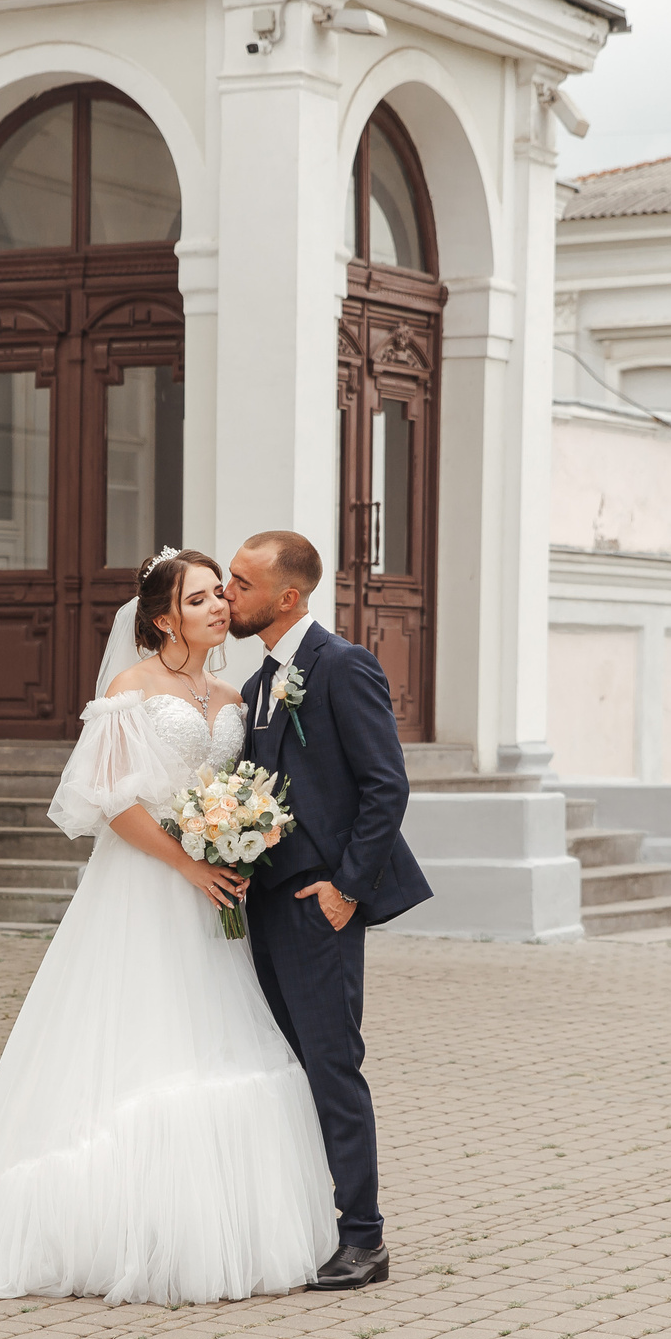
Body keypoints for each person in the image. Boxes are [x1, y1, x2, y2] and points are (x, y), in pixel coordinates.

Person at [0, 549, 337, 1305]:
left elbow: (239, 785)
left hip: (213, 888)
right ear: (163, 619)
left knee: (216, 1032)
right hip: (148, 885)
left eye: (221, 594)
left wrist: (235, 841)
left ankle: (206, 1218)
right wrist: (188, 862)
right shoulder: (130, 691)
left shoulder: (234, 691)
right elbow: (112, 802)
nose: (220, 605)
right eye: (201, 599)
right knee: (142, 1032)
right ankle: (111, 1224)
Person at [224, 531, 431, 1291]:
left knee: (333, 1067)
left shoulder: (342, 667)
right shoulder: (255, 686)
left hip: (320, 905)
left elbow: (387, 786)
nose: (227, 596)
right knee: (287, 1066)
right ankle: (310, 1219)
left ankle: (365, 1239)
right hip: (266, 906)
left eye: (241, 585)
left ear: (289, 597)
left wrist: (346, 887)